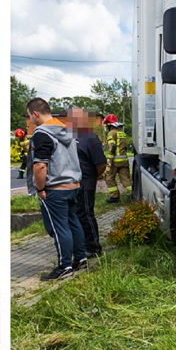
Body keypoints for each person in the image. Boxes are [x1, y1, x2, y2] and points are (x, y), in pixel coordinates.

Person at [25, 98, 87, 281]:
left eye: (30, 116)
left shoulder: (42, 134)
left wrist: (40, 188)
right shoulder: (66, 130)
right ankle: (80, 258)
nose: (31, 120)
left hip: (55, 188)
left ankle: (64, 266)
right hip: (72, 184)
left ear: (35, 113)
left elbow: (40, 166)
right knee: (73, 222)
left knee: (59, 228)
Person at [68, 108, 106, 258]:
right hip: (73, 183)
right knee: (76, 215)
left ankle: (93, 247)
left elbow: (101, 163)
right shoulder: (71, 136)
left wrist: (93, 176)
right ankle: (80, 244)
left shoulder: (90, 138)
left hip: (85, 183)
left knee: (85, 215)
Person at [103, 114, 132, 203]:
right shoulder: (121, 132)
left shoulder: (111, 133)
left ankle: (114, 197)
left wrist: (110, 161)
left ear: (109, 125)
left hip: (115, 161)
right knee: (125, 178)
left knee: (109, 177)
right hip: (124, 160)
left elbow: (112, 148)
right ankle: (130, 196)